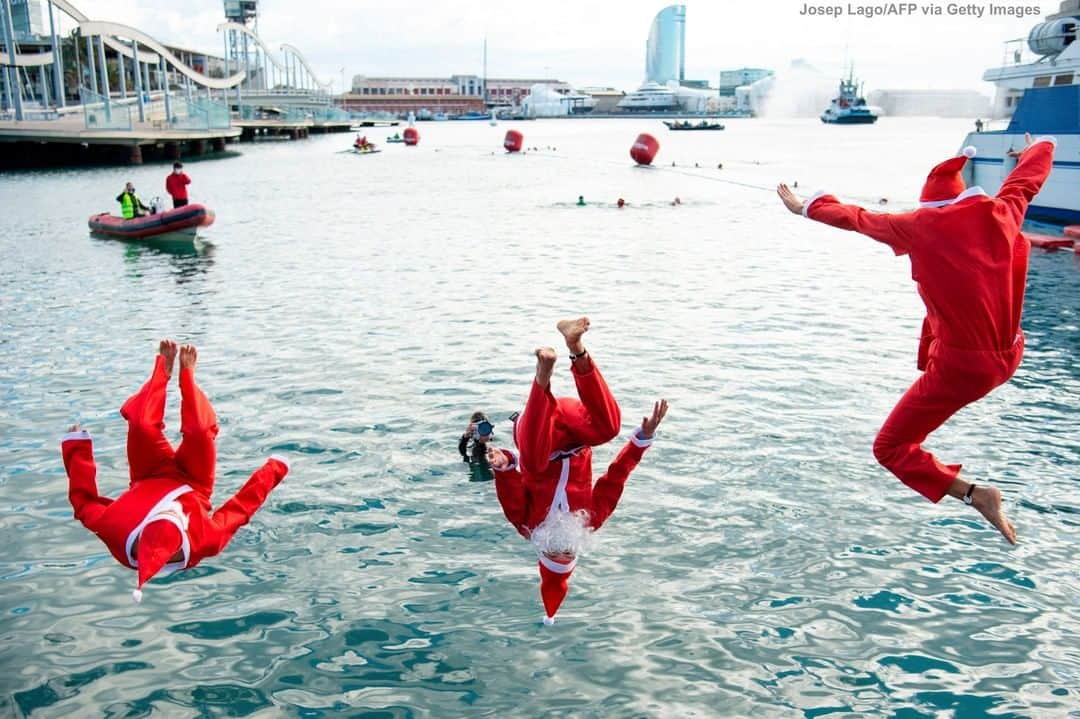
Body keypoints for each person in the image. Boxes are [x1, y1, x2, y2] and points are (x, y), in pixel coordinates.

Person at [776, 132, 1056, 544]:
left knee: (890, 447)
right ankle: (977, 491)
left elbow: (856, 218)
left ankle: (978, 496)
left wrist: (805, 208)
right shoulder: (1002, 211)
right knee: (938, 336)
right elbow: (1026, 181)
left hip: (965, 368)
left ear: (929, 207)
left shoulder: (920, 226)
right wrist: (1035, 149)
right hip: (1008, 354)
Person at [61, 340, 290, 602]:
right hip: (194, 481)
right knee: (200, 432)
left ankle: (163, 370)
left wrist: (76, 447)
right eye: (175, 517)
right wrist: (275, 470)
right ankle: (188, 376)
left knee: (142, 425)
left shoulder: (116, 531)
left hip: (148, 474)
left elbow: (83, 502)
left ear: (142, 529)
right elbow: (241, 507)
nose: (174, 510)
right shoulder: (207, 541)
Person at [485, 317, 669, 624]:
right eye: (568, 555)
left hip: (537, 429)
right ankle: (575, 347)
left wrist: (504, 463)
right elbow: (616, 476)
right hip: (573, 433)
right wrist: (643, 437)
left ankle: (542, 375)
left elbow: (510, 481)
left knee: (533, 462)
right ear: (577, 553)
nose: (563, 548)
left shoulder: (526, 523)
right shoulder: (592, 520)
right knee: (609, 428)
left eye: (555, 554)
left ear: (542, 551)